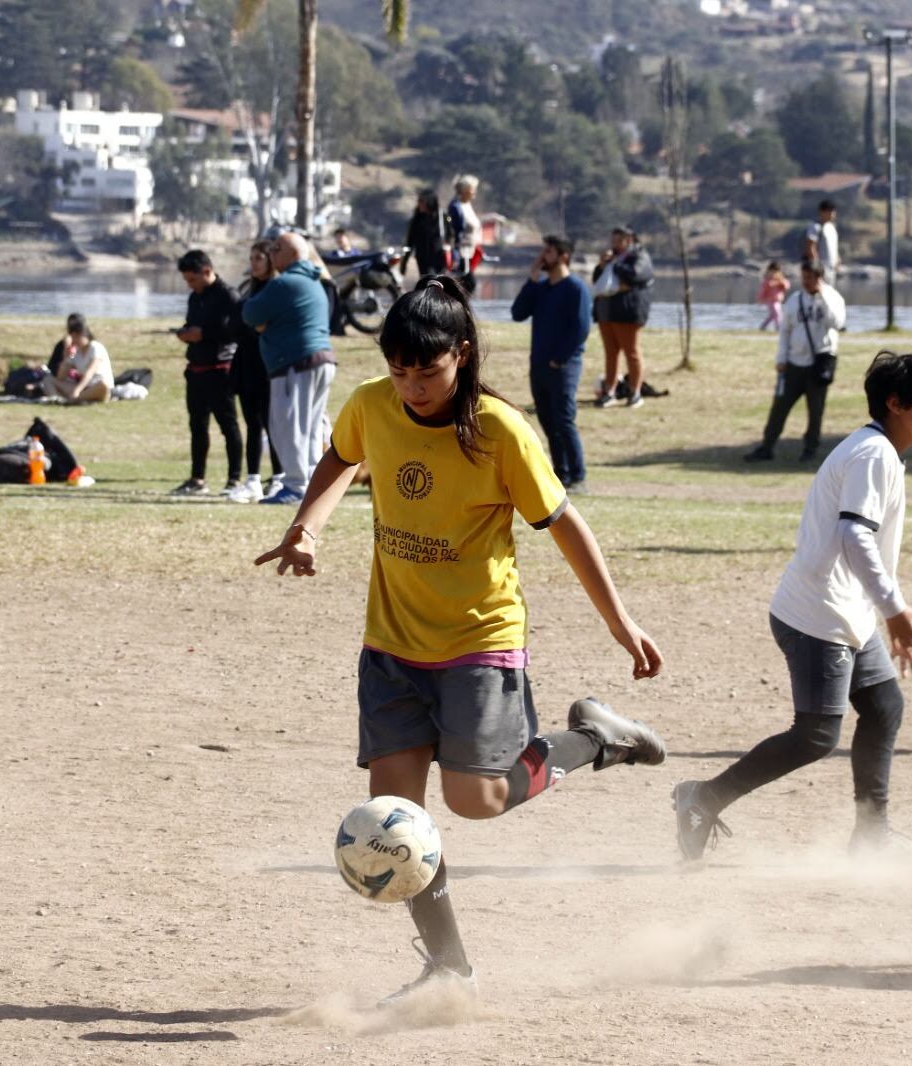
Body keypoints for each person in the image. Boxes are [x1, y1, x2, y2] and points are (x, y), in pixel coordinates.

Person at [254, 276, 666, 1001]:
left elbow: (564, 525)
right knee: (399, 823)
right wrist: (305, 529)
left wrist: (619, 621)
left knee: (474, 800)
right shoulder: (371, 405)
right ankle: (450, 968)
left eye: (428, 369)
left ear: (462, 355)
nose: (412, 385)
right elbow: (338, 459)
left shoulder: (501, 431)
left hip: (479, 640)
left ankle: (594, 740)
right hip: (391, 645)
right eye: (399, 369)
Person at [675, 352, 912, 864]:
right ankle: (703, 797)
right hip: (820, 617)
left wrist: (882, 612)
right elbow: (854, 534)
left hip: (845, 612)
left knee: (884, 706)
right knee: (816, 735)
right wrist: (894, 609)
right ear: (895, 403)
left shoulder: (879, 450)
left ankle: (873, 835)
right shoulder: (874, 454)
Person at [240, 230, 334, 505]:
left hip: (296, 363)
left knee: (288, 425)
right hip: (319, 360)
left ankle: (295, 485)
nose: (272, 253)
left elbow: (250, 313)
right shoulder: (312, 281)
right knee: (312, 426)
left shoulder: (286, 283)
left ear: (294, 254)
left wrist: (266, 323)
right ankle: (310, 483)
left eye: (277, 249)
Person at [745, 259, 847, 463]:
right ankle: (767, 446)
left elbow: (837, 322)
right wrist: (781, 358)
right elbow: (785, 331)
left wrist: (822, 297)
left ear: (819, 277)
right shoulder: (794, 300)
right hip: (794, 364)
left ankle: (810, 449)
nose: (806, 282)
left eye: (810, 278)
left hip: (819, 364)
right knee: (779, 407)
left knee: (815, 410)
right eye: (804, 277)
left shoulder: (833, 298)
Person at [511, 235, 592, 490]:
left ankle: (578, 477)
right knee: (547, 419)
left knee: (564, 420)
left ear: (563, 256)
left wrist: (559, 360)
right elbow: (517, 313)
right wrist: (532, 278)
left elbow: (580, 329)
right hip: (538, 366)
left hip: (564, 367)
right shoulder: (542, 288)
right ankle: (561, 475)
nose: (542, 256)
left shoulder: (576, 289)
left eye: (548, 251)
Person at [171, 249, 245, 497]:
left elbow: (237, 331)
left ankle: (234, 479)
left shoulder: (229, 296)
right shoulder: (195, 297)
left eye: (192, 279)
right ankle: (197, 478)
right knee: (197, 426)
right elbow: (192, 323)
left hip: (220, 369)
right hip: (196, 370)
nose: (190, 285)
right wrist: (185, 333)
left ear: (207, 271)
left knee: (228, 426)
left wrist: (204, 334)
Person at [231, 240, 283, 503]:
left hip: (267, 365)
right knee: (252, 423)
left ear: (270, 261)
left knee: (272, 424)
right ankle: (252, 479)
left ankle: (279, 478)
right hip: (246, 363)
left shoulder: (275, 289)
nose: (253, 263)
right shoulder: (250, 290)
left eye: (258, 258)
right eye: (251, 258)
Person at [590, 226, 654, 408]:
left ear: (629, 240)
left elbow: (635, 275)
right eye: (613, 241)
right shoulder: (611, 258)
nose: (615, 245)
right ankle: (609, 392)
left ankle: (635, 392)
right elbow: (598, 280)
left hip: (628, 313)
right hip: (606, 312)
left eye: (619, 241)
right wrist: (602, 266)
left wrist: (615, 264)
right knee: (611, 354)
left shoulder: (639, 257)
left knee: (631, 353)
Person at [41, 314, 113, 404]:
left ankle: (71, 399)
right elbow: (61, 377)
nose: (75, 340)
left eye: (76, 336)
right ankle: (58, 400)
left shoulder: (95, 347)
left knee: (103, 385)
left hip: (97, 386)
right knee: (48, 380)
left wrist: (77, 390)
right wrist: (66, 356)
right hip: (84, 388)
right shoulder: (77, 352)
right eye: (73, 337)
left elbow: (90, 372)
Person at [447, 175, 482, 289]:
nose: (475, 192)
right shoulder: (456, 207)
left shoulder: (467, 205)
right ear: (465, 190)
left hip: (471, 251)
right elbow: (455, 231)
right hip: (462, 252)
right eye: (473, 189)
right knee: (468, 283)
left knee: (467, 285)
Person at [403, 190, 446, 281]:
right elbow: (410, 241)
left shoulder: (442, 217)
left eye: (422, 202)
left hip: (438, 257)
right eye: (419, 201)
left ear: (429, 203)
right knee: (426, 282)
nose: (419, 204)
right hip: (422, 258)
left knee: (438, 282)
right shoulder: (417, 219)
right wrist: (405, 261)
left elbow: (450, 234)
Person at [802, 199, 840, 284]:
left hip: (831, 269)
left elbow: (834, 248)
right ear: (822, 212)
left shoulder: (832, 228)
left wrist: (837, 260)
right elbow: (811, 246)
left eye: (833, 211)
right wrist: (816, 266)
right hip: (821, 269)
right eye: (829, 211)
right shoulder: (816, 227)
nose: (832, 214)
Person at [757, 261, 790, 332]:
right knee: (777, 315)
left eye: (776, 272)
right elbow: (763, 290)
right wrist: (760, 298)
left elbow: (787, 286)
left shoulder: (780, 280)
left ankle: (762, 327)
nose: (774, 274)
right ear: (769, 271)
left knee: (772, 316)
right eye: (772, 272)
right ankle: (778, 328)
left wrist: (780, 283)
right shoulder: (767, 281)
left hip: (778, 301)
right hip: (771, 301)